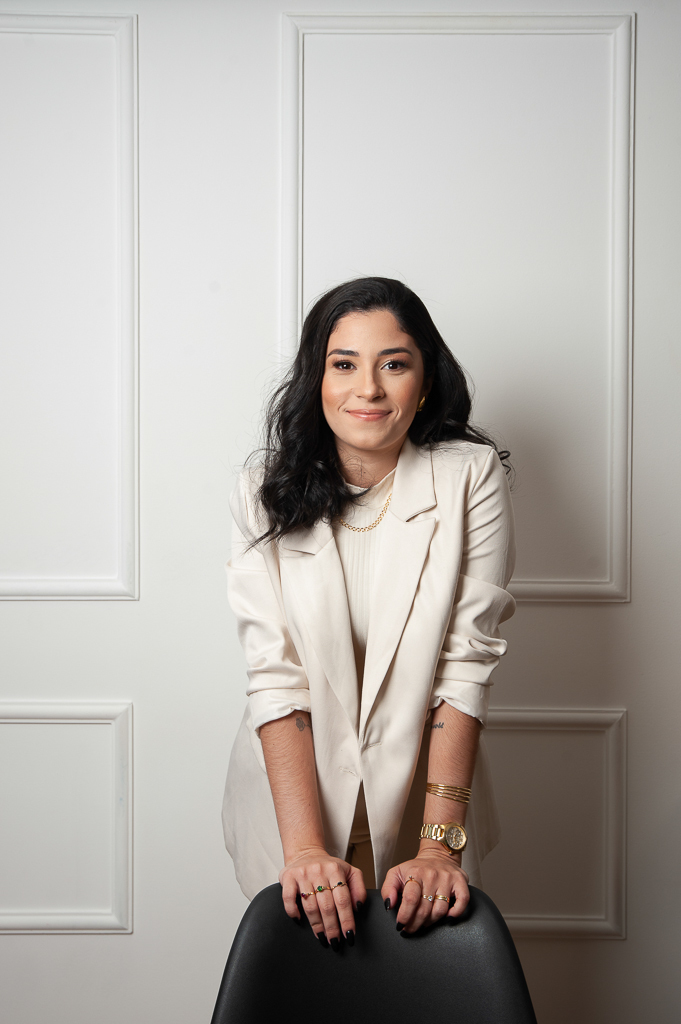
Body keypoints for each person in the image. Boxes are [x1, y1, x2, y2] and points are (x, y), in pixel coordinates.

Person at [222, 277, 515, 948]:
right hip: (293, 806)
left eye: (394, 364)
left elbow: (464, 668)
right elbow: (275, 674)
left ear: (425, 380)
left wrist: (437, 848)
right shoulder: (260, 490)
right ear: (316, 379)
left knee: (428, 988)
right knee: (301, 988)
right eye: (344, 364)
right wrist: (304, 851)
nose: (369, 389)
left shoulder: (470, 475)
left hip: (426, 802)